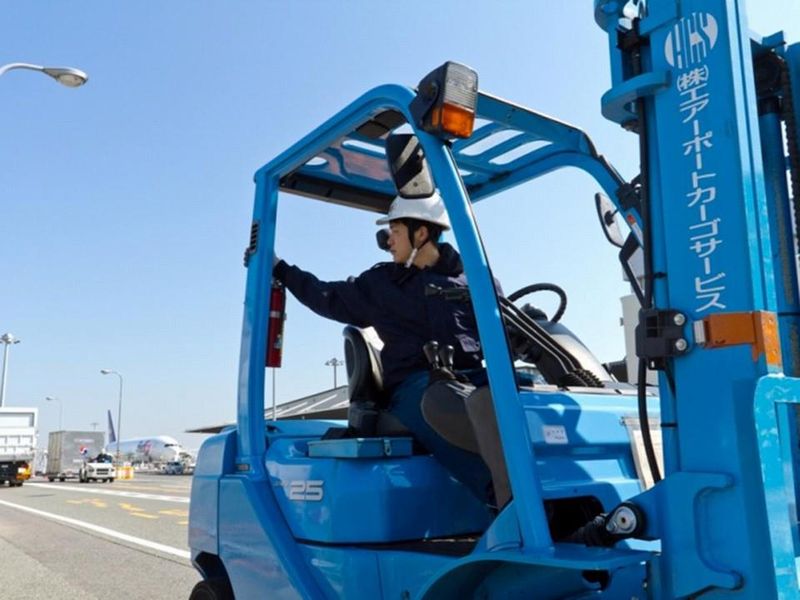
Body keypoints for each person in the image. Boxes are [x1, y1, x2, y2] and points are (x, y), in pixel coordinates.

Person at [272, 192, 497, 505]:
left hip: (470, 376)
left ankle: (557, 485)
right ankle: (504, 497)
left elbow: (502, 328)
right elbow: (327, 296)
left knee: (526, 393)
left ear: (421, 233)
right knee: (444, 404)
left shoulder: (473, 280)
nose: (388, 241)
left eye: (395, 231)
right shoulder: (382, 284)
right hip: (414, 385)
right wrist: (280, 269)